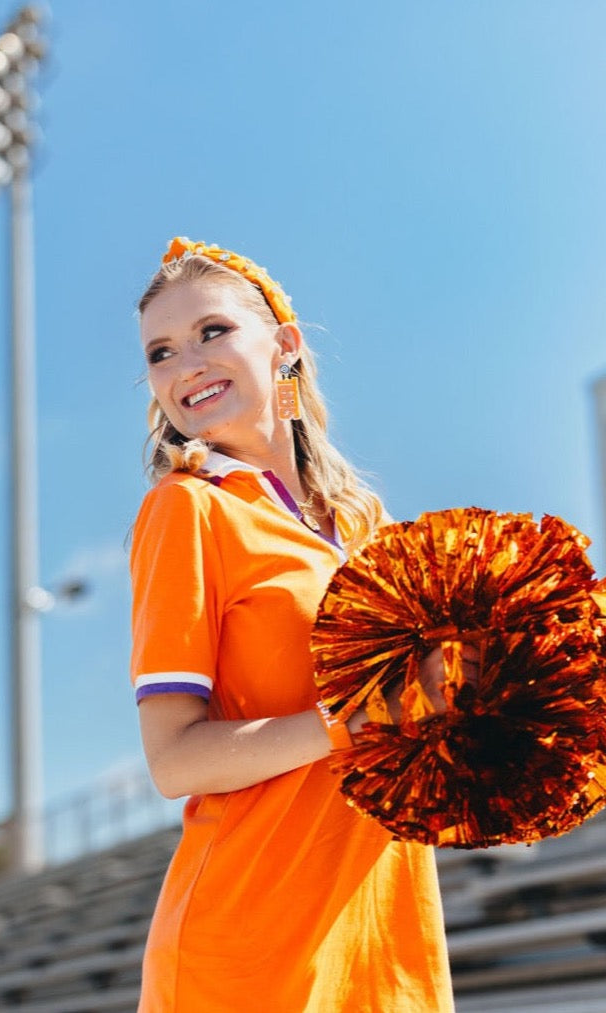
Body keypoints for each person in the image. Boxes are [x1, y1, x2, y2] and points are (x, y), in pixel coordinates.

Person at [129, 236, 455, 1012]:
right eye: (161, 351)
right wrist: (359, 716)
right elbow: (174, 760)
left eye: (212, 332)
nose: (186, 365)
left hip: (387, 937)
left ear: (284, 345)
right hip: (248, 950)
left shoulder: (363, 520)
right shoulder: (189, 508)